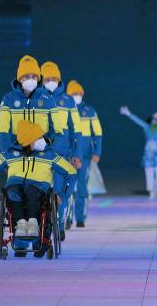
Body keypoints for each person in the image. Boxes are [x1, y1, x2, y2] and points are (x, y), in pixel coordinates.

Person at [0, 120, 76, 257]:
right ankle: (20, 223)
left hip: (39, 191)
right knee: (12, 191)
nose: (42, 140)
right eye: (38, 137)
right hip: (15, 189)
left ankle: (33, 223)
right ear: (29, 141)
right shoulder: (10, 154)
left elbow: (71, 172)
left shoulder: (49, 155)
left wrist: (62, 195)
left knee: (31, 190)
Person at [38, 61, 81, 239]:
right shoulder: (35, 98)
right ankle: (43, 225)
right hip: (40, 154)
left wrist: (77, 154)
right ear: (42, 79)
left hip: (62, 153)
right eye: (48, 78)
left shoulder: (67, 100)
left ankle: (59, 224)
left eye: (54, 78)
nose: (51, 81)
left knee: (60, 191)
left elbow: (76, 129)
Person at [0, 55, 53, 154]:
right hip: (16, 153)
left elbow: (57, 130)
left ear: (38, 79)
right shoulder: (8, 99)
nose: (31, 80)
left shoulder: (48, 99)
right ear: (20, 78)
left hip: (42, 154)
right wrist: (6, 155)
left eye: (34, 76)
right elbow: (3, 130)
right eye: (26, 76)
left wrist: (47, 143)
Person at [67, 79, 103, 228]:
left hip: (86, 157)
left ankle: (80, 218)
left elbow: (98, 133)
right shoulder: (64, 110)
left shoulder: (89, 111)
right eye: (74, 93)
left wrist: (97, 152)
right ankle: (66, 218)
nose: (77, 96)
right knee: (67, 188)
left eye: (79, 93)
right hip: (68, 157)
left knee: (82, 187)